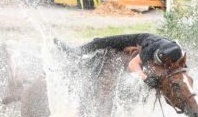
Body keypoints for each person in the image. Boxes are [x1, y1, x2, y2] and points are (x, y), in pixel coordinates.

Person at [56, 33, 184, 87]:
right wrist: (145, 77)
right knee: (102, 41)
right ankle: (77, 51)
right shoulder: (150, 49)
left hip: (162, 44)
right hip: (141, 38)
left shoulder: (178, 54)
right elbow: (133, 64)